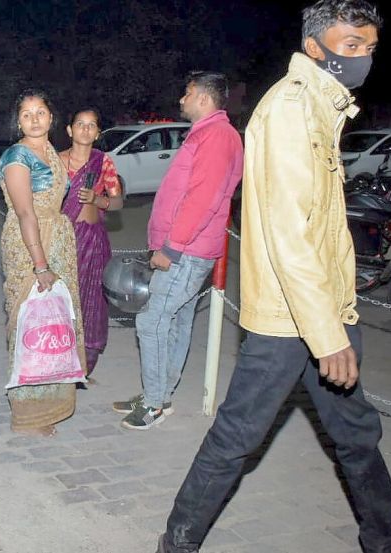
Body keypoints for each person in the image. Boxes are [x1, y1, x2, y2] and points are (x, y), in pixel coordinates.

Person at [158, 2, 391, 551]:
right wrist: (326, 335)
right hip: (290, 321)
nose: (361, 57)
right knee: (236, 439)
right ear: (315, 47)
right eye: (349, 46)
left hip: (324, 309)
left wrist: (335, 319)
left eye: (368, 47)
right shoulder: (292, 110)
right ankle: (175, 544)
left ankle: (387, 543)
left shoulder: (322, 106)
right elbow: (291, 232)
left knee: (358, 437)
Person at [117, 71, 243, 431]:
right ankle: (159, 393)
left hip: (186, 250)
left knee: (152, 319)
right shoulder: (210, 134)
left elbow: (201, 199)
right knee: (177, 319)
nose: (181, 100)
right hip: (189, 248)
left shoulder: (217, 136)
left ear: (204, 98)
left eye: (187, 94)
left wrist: (171, 247)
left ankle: (155, 403)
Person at [0, 88, 86, 437]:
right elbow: (25, 214)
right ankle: (28, 413)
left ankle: (55, 400)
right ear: (17, 121)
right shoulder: (17, 157)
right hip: (29, 243)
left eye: (40, 113)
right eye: (26, 114)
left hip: (58, 237)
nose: (34, 119)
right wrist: (40, 264)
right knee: (30, 322)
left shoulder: (50, 151)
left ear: (51, 118)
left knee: (57, 323)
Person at [57, 108, 123, 379]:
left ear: (97, 133)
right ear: (70, 130)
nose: (85, 129)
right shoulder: (56, 161)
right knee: (62, 300)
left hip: (92, 243)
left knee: (91, 301)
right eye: (79, 124)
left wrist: (98, 200)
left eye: (91, 125)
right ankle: (58, 359)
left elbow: (117, 202)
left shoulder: (103, 162)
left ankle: (85, 363)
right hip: (61, 241)